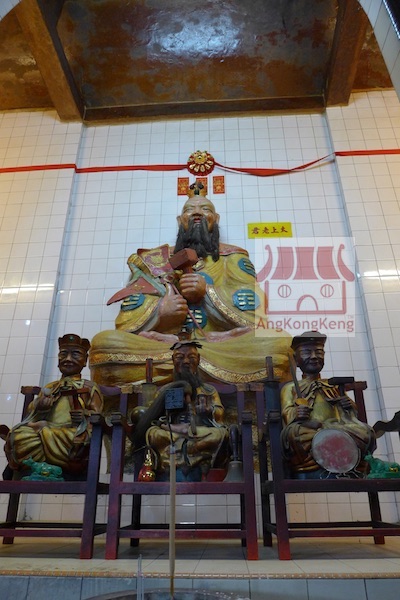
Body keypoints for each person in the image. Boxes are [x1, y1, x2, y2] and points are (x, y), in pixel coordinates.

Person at [89, 182, 291, 386]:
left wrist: (208, 293)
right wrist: (161, 312)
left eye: (205, 209)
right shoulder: (156, 260)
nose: (197, 213)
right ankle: (202, 370)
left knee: (278, 343)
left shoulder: (232, 257)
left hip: (219, 344)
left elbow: (255, 312)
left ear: (216, 219)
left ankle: (173, 370)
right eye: (189, 210)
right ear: (180, 220)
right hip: (166, 346)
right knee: (105, 343)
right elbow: (126, 319)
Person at [3, 334, 103, 478]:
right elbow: (30, 415)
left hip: (68, 435)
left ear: (85, 360)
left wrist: (84, 415)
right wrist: (39, 407)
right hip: (44, 431)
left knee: (76, 440)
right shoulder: (50, 387)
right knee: (19, 436)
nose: (68, 359)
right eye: (63, 354)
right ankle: (41, 466)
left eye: (75, 354)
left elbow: (98, 416)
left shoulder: (89, 387)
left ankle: (43, 461)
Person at [280, 331, 376, 479]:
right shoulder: (291, 388)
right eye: (307, 352)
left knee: (366, 432)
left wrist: (348, 406)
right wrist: (296, 413)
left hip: (337, 427)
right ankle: (315, 467)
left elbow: (351, 415)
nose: (314, 356)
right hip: (310, 429)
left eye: (318, 352)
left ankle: (349, 465)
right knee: (296, 435)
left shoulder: (333, 385)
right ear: (296, 359)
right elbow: (286, 413)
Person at [131, 340, 230, 481]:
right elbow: (154, 416)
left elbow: (219, 413)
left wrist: (209, 411)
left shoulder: (208, 390)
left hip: (200, 431)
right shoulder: (165, 391)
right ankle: (182, 457)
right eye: (180, 357)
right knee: (153, 433)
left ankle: (189, 456)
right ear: (173, 360)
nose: (186, 361)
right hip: (171, 432)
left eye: (191, 357)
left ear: (198, 359)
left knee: (220, 434)